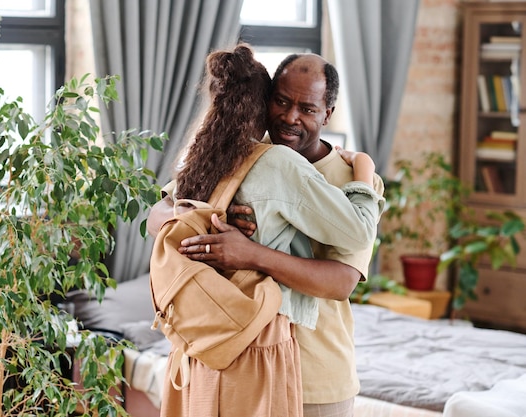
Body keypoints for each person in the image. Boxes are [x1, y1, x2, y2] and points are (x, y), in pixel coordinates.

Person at [149, 45, 383, 417]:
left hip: (315, 376)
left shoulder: (356, 184)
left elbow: (341, 283)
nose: (291, 117)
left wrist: (249, 252)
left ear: (328, 113)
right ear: (265, 99)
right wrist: (210, 221)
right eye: (282, 101)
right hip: (241, 363)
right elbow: (156, 213)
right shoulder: (240, 158)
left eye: (307, 109)